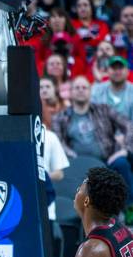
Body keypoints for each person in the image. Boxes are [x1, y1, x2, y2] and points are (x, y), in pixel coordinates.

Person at [52, 76, 133, 205]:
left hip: (106, 160)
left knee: (122, 163)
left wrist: (125, 150)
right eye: (77, 87)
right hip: (75, 163)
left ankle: (129, 208)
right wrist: (73, 157)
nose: (80, 90)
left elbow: (129, 125)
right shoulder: (60, 117)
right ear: (71, 92)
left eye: (84, 87)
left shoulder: (103, 110)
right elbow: (58, 142)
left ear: (90, 92)